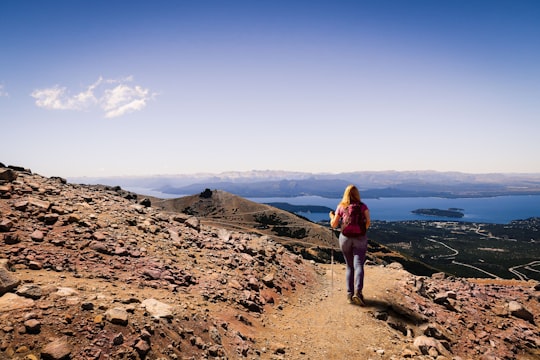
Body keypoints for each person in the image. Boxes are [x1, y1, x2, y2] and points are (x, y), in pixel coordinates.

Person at [329, 184, 370, 306]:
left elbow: (334, 225)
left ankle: (349, 294)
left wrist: (331, 216)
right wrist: (362, 230)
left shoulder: (341, 207)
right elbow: (368, 222)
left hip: (345, 239)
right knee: (358, 265)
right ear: (357, 194)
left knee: (349, 266)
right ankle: (358, 292)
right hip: (360, 238)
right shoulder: (363, 207)